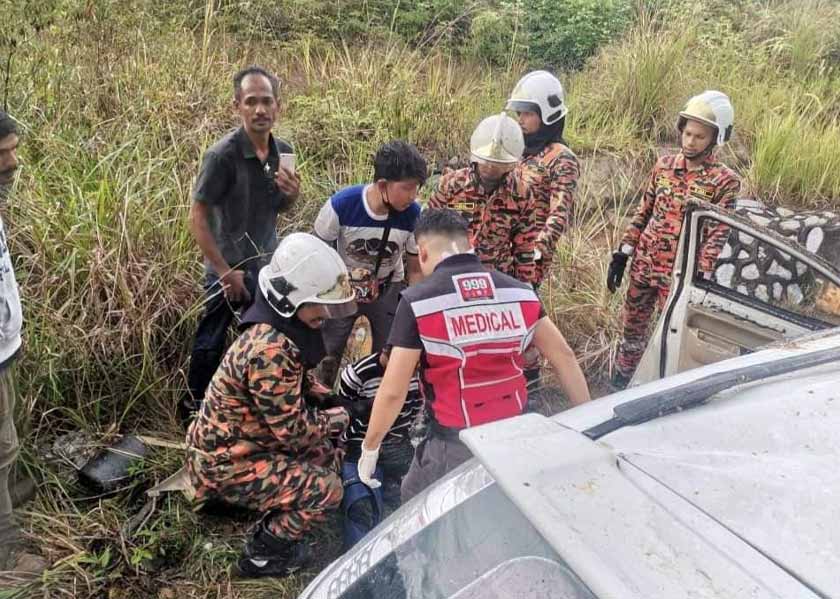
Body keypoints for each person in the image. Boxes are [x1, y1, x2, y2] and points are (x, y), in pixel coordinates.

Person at [357, 209, 590, 501]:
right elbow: (564, 355)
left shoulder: (420, 301)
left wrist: (370, 447)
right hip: (514, 433)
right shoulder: (519, 292)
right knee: (502, 503)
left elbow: (394, 390)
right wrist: (587, 418)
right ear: (472, 242)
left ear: (424, 252)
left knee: (419, 508)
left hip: (454, 444)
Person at [185, 233, 356, 578]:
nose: (325, 313)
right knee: (328, 490)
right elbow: (293, 433)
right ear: (292, 300)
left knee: (329, 457)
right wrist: (340, 416)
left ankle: (266, 503)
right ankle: (264, 552)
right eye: (318, 304)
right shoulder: (271, 352)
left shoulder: (278, 331)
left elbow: (297, 382)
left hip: (242, 443)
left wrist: (324, 394)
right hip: (225, 463)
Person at [181, 65, 301, 424]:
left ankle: (249, 405)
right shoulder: (222, 156)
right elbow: (197, 217)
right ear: (238, 106)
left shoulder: (283, 151)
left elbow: (280, 206)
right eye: (252, 102)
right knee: (210, 338)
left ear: (278, 106)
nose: (260, 109)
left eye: (267, 101)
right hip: (226, 264)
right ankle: (193, 411)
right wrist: (223, 271)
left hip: (265, 264)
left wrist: (292, 196)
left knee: (263, 335)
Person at [606, 90, 741, 388]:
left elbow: (717, 236)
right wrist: (622, 254)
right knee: (632, 331)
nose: (690, 142)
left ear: (716, 139)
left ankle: (661, 388)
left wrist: (699, 275)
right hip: (644, 266)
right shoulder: (664, 166)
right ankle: (620, 384)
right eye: (687, 133)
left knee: (671, 336)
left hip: (679, 277)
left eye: (699, 137)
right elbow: (643, 213)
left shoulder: (724, 181)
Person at [314, 141, 427, 386]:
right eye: (407, 188)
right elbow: (318, 253)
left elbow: (415, 267)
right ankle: (320, 397)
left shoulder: (413, 215)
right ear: (383, 185)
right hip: (343, 289)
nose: (413, 196)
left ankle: (373, 399)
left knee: (385, 350)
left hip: (387, 287)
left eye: (416, 189)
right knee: (328, 348)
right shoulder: (342, 205)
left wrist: (414, 306)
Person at [0, 110, 47, 584]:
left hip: (4, 347)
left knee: (9, 437)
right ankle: (5, 556)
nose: (12, 162)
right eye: (2, 154)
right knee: (0, 446)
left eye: (13, 150)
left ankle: (10, 495)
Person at [428, 113, 538, 286]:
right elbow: (428, 229)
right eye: (486, 161)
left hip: (496, 279)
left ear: (510, 163)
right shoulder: (452, 185)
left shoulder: (521, 195)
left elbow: (524, 247)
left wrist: (526, 287)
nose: (490, 167)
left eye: (497, 163)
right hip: (452, 274)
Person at [336, 345, 422, 548]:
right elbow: (341, 414)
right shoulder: (357, 374)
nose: (412, 367)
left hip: (397, 444)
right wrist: (340, 444)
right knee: (361, 508)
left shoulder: (418, 374)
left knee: (417, 496)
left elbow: (416, 413)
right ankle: (360, 560)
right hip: (359, 445)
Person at [506, 70, 579, 287]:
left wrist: (535, 252)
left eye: (527, 114)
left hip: (529, 260)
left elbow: (559, 214)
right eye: (519, 113)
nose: (520, 120)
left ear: (547, 115)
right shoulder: (518, 150)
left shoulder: (561, 158)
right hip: (501, 251)